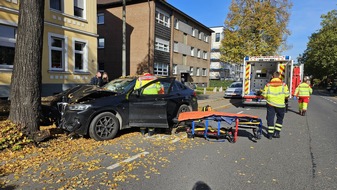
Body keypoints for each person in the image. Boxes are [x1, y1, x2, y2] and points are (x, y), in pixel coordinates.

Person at [262, 71, 290, 139]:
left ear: (273, 76)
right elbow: (287, 95)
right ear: (279, 76)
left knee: (270, 118)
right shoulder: (284, 85)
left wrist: (269, 98)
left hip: (270, 104)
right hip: (280, 105)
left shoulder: (268, 85)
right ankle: (277, 133)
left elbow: (264, 95)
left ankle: (270, 134)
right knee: (280, 119)